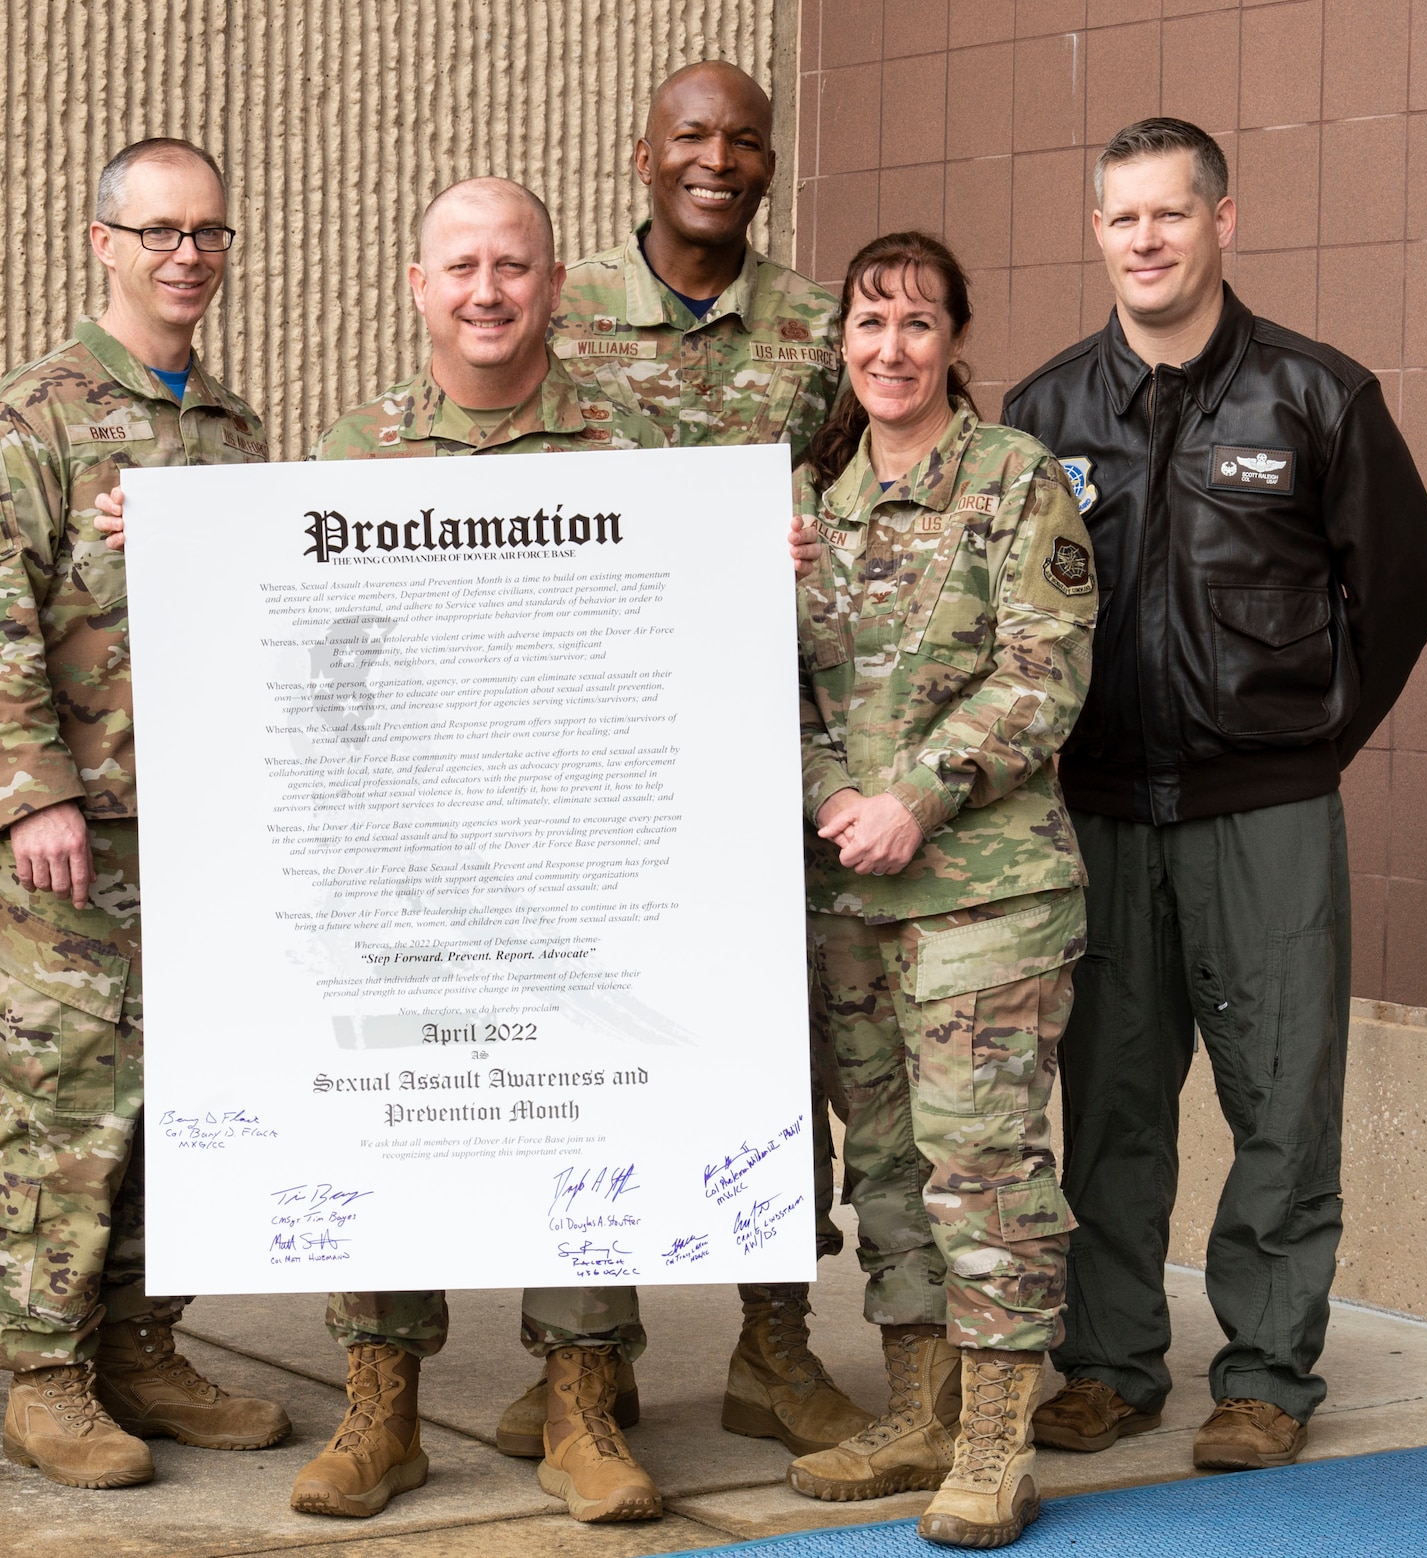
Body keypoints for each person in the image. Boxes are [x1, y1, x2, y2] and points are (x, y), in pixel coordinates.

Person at [999, 118, 1427, 1471]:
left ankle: (1263, 1374)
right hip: (1104, 814)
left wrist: (1304, 741)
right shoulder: (1043, 413)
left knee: (1281, 1103)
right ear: (1099, 236)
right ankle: (1114, 1363)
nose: (1147, 241)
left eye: (1171, 216)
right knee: (1112, 1101)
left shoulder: (1320, 395)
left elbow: (1405, 591)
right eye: (1123, 219)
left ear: (1223, 222)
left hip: (1267, 819)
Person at [286, 177, 669, 1528]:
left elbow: (670, 654)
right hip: (400, 870)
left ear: (557, 284)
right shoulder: (346, 457)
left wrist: (759, 562)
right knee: (400, 1111)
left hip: (569, 867)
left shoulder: (632, 460)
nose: (488, 290)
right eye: (462, 266)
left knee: (579, 1105)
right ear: (417, 283)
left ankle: (580, 1398)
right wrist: (162, 560)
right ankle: (380, 1400)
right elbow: (302, 664)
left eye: (514, 265)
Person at [0, 136, 289, 1492]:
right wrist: (30, 795)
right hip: (76, 834)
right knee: (67, 1099)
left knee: (181, 1101)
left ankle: (141, 1341)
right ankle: (43, 1369)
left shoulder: (235, 430)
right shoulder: (33, 419)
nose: (186, 255)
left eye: (207, 232)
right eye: (158, 232)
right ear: (103, 243)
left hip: (203, 835)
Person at [545, 57, 866, 1464]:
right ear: (642, 154)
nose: (718, 159)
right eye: (691, 135)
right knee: (594, 1047)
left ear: (770, 161)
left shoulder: (815, 330)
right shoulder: (559, 313)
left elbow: (868, 502)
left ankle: (774, 1344)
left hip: (758, 759)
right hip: (598, 753)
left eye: (745, 140)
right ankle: (586, 1365)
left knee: (773, 1051)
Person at [783, 232, 1096, 1551]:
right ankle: (918, 1403)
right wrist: (823, 794)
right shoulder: (809, 503)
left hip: (983, 892)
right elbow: (757, 680)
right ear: (841, 342)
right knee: (896, 1175)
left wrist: (915, 790)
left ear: (957, 339)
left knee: (986, 1168)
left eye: (918, 323)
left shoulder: (1014, 481)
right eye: (869, 322)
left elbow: (1047, 667)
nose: (891, 348)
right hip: (849, 897)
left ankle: (993, 1435)